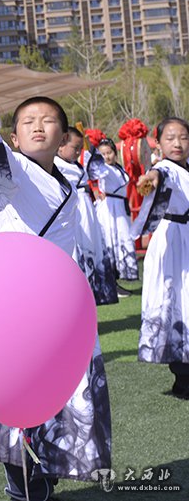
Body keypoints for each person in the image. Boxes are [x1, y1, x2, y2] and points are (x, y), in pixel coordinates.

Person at [0, 97, 111, 501]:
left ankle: (45, 477)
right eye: (28, 121)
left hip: (58, 302)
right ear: (14, 138)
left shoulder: (67, 180)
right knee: (18, 391)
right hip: (15, 302)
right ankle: (23, 486)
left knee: (60, 391)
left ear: (64, 137)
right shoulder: (13, 168)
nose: (38, 126)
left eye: (48, 121)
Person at [133, 117, 189, 399]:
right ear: (158, 142)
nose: (177, 143)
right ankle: (183, 376)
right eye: (170, 138)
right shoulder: (165, 168)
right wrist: (151, 179)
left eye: (183, 137)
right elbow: (158, 175)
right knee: (175, 302)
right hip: (173, 240)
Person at [56, 127, 119, 305]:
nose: (78, 152)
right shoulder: (55, 165)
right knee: (77, 252)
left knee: (91, 247)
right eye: (75, 148)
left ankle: (93, 293)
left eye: (80, 148)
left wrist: (91, 146)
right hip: (73, 212)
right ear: (60, 145)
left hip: (87, 211)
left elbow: (100, 171)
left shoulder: (78, 164)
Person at [96, 137, 139, 282]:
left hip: (120, 205)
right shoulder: (103, 169)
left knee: (124, 235)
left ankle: (125, 271)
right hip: (110, 206)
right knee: (110, 237)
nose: (107, 157)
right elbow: (95, 172)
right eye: (103, 154)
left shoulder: (119, 168)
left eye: (109, 153)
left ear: (115, 152)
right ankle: (112, 273)